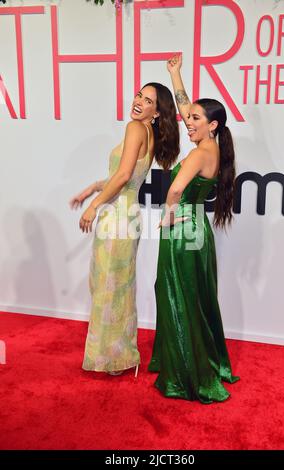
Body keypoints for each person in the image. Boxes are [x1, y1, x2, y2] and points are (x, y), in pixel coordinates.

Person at [70, 83, 179, 376]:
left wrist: (94, 206)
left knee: (108, 288)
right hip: (129, 217)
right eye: (139, 95)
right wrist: (93, 188)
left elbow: (124, 175)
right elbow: (126, 179)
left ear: (157, 112)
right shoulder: (150, 135)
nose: (139, 102)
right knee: (118, 287)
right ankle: (119, 356)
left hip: (117, 216)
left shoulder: (135, 128)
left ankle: (110, 358)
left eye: (149, 101)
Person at [148, 55, 239, 403]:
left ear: (212, 125)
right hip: (198, 230)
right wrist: (175, 75)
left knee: (176, 295)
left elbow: (173, 190)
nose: (188, 121)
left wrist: (169, 216)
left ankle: (187, 372)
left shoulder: (200, 153)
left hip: (182, 230)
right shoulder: (210, 146)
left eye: (195, 119)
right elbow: (186, 108)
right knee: (195, 297)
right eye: (190, 117)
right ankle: (204, 359)